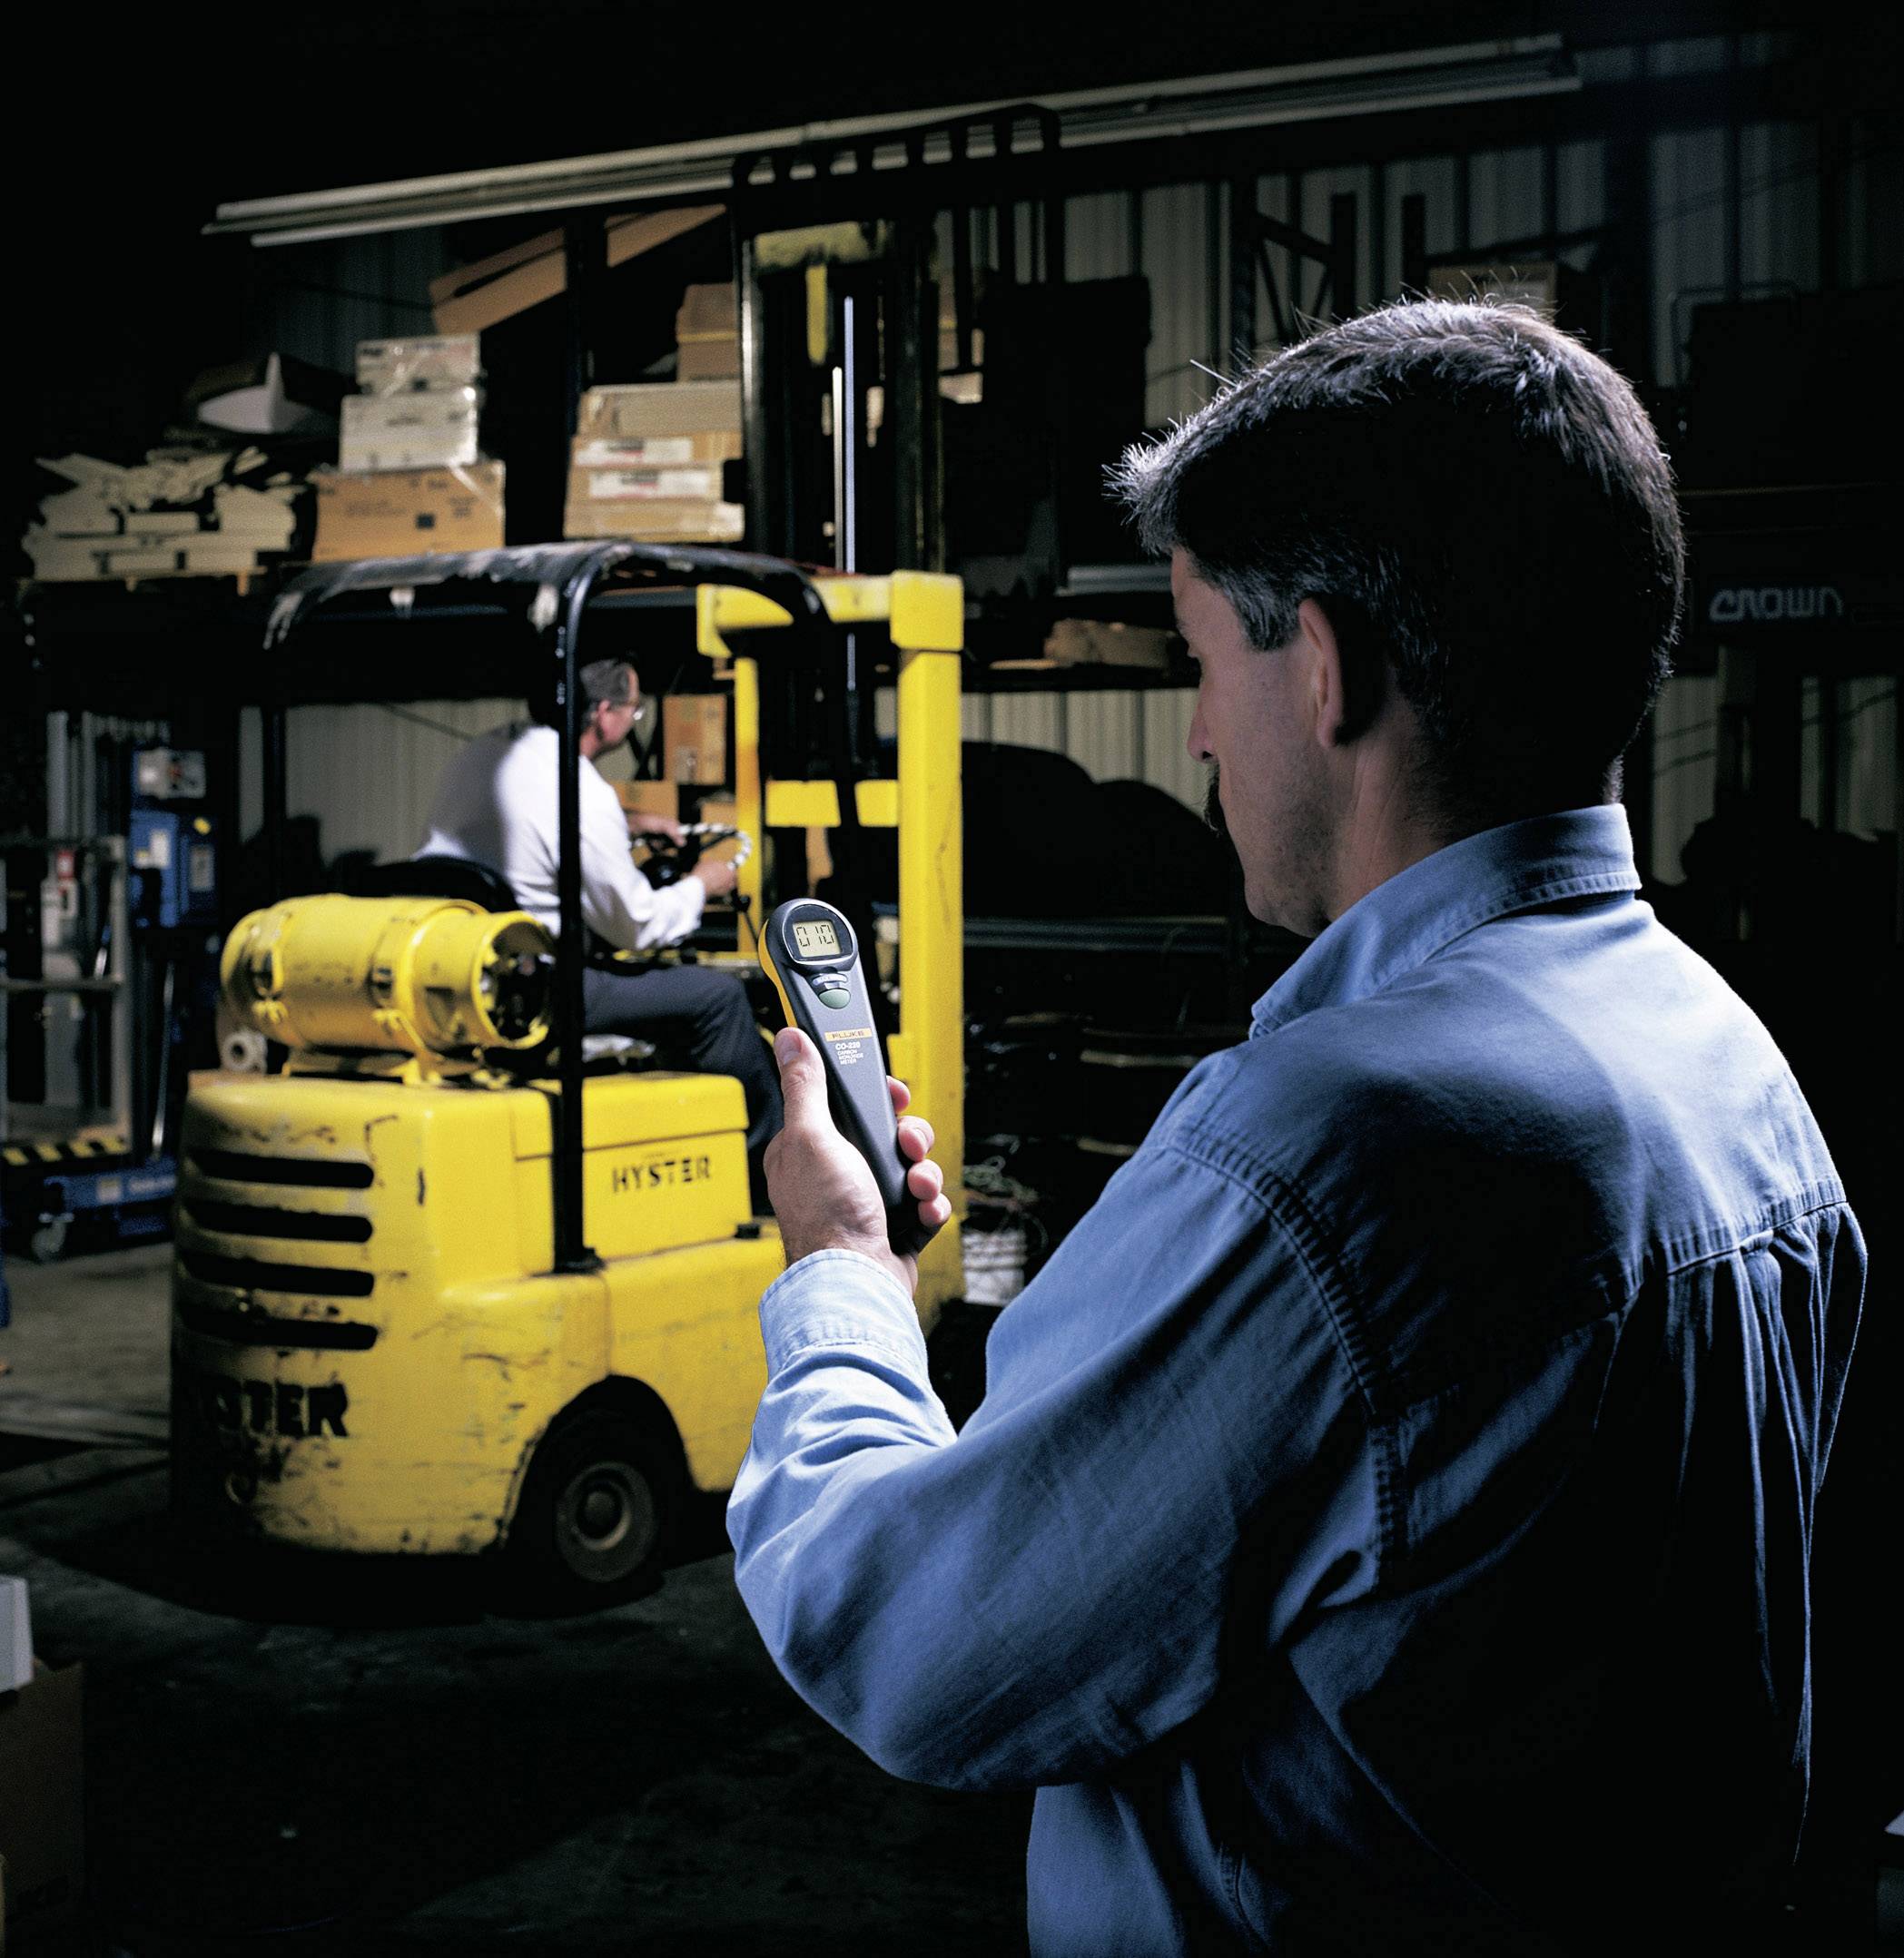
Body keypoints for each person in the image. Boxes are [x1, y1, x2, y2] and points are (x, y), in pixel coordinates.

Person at [725, 300, 1866, 1955]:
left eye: (1202, 661)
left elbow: (906, 1642)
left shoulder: (1330, 1152)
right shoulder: (1732, 1065)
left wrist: (835, 1262)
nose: (1194, 731)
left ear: (1321, 667)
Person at [418, 656, 781, 1161]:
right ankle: (768, 1167)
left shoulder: (484, 754)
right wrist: (702, 885)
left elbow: (532, 826)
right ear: (604, 713)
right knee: (718, 998)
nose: (633, 723)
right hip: (544, 989)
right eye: (634, 714)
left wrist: (628, 822)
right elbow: (637, 925)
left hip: (464, 970)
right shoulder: (580, 789)